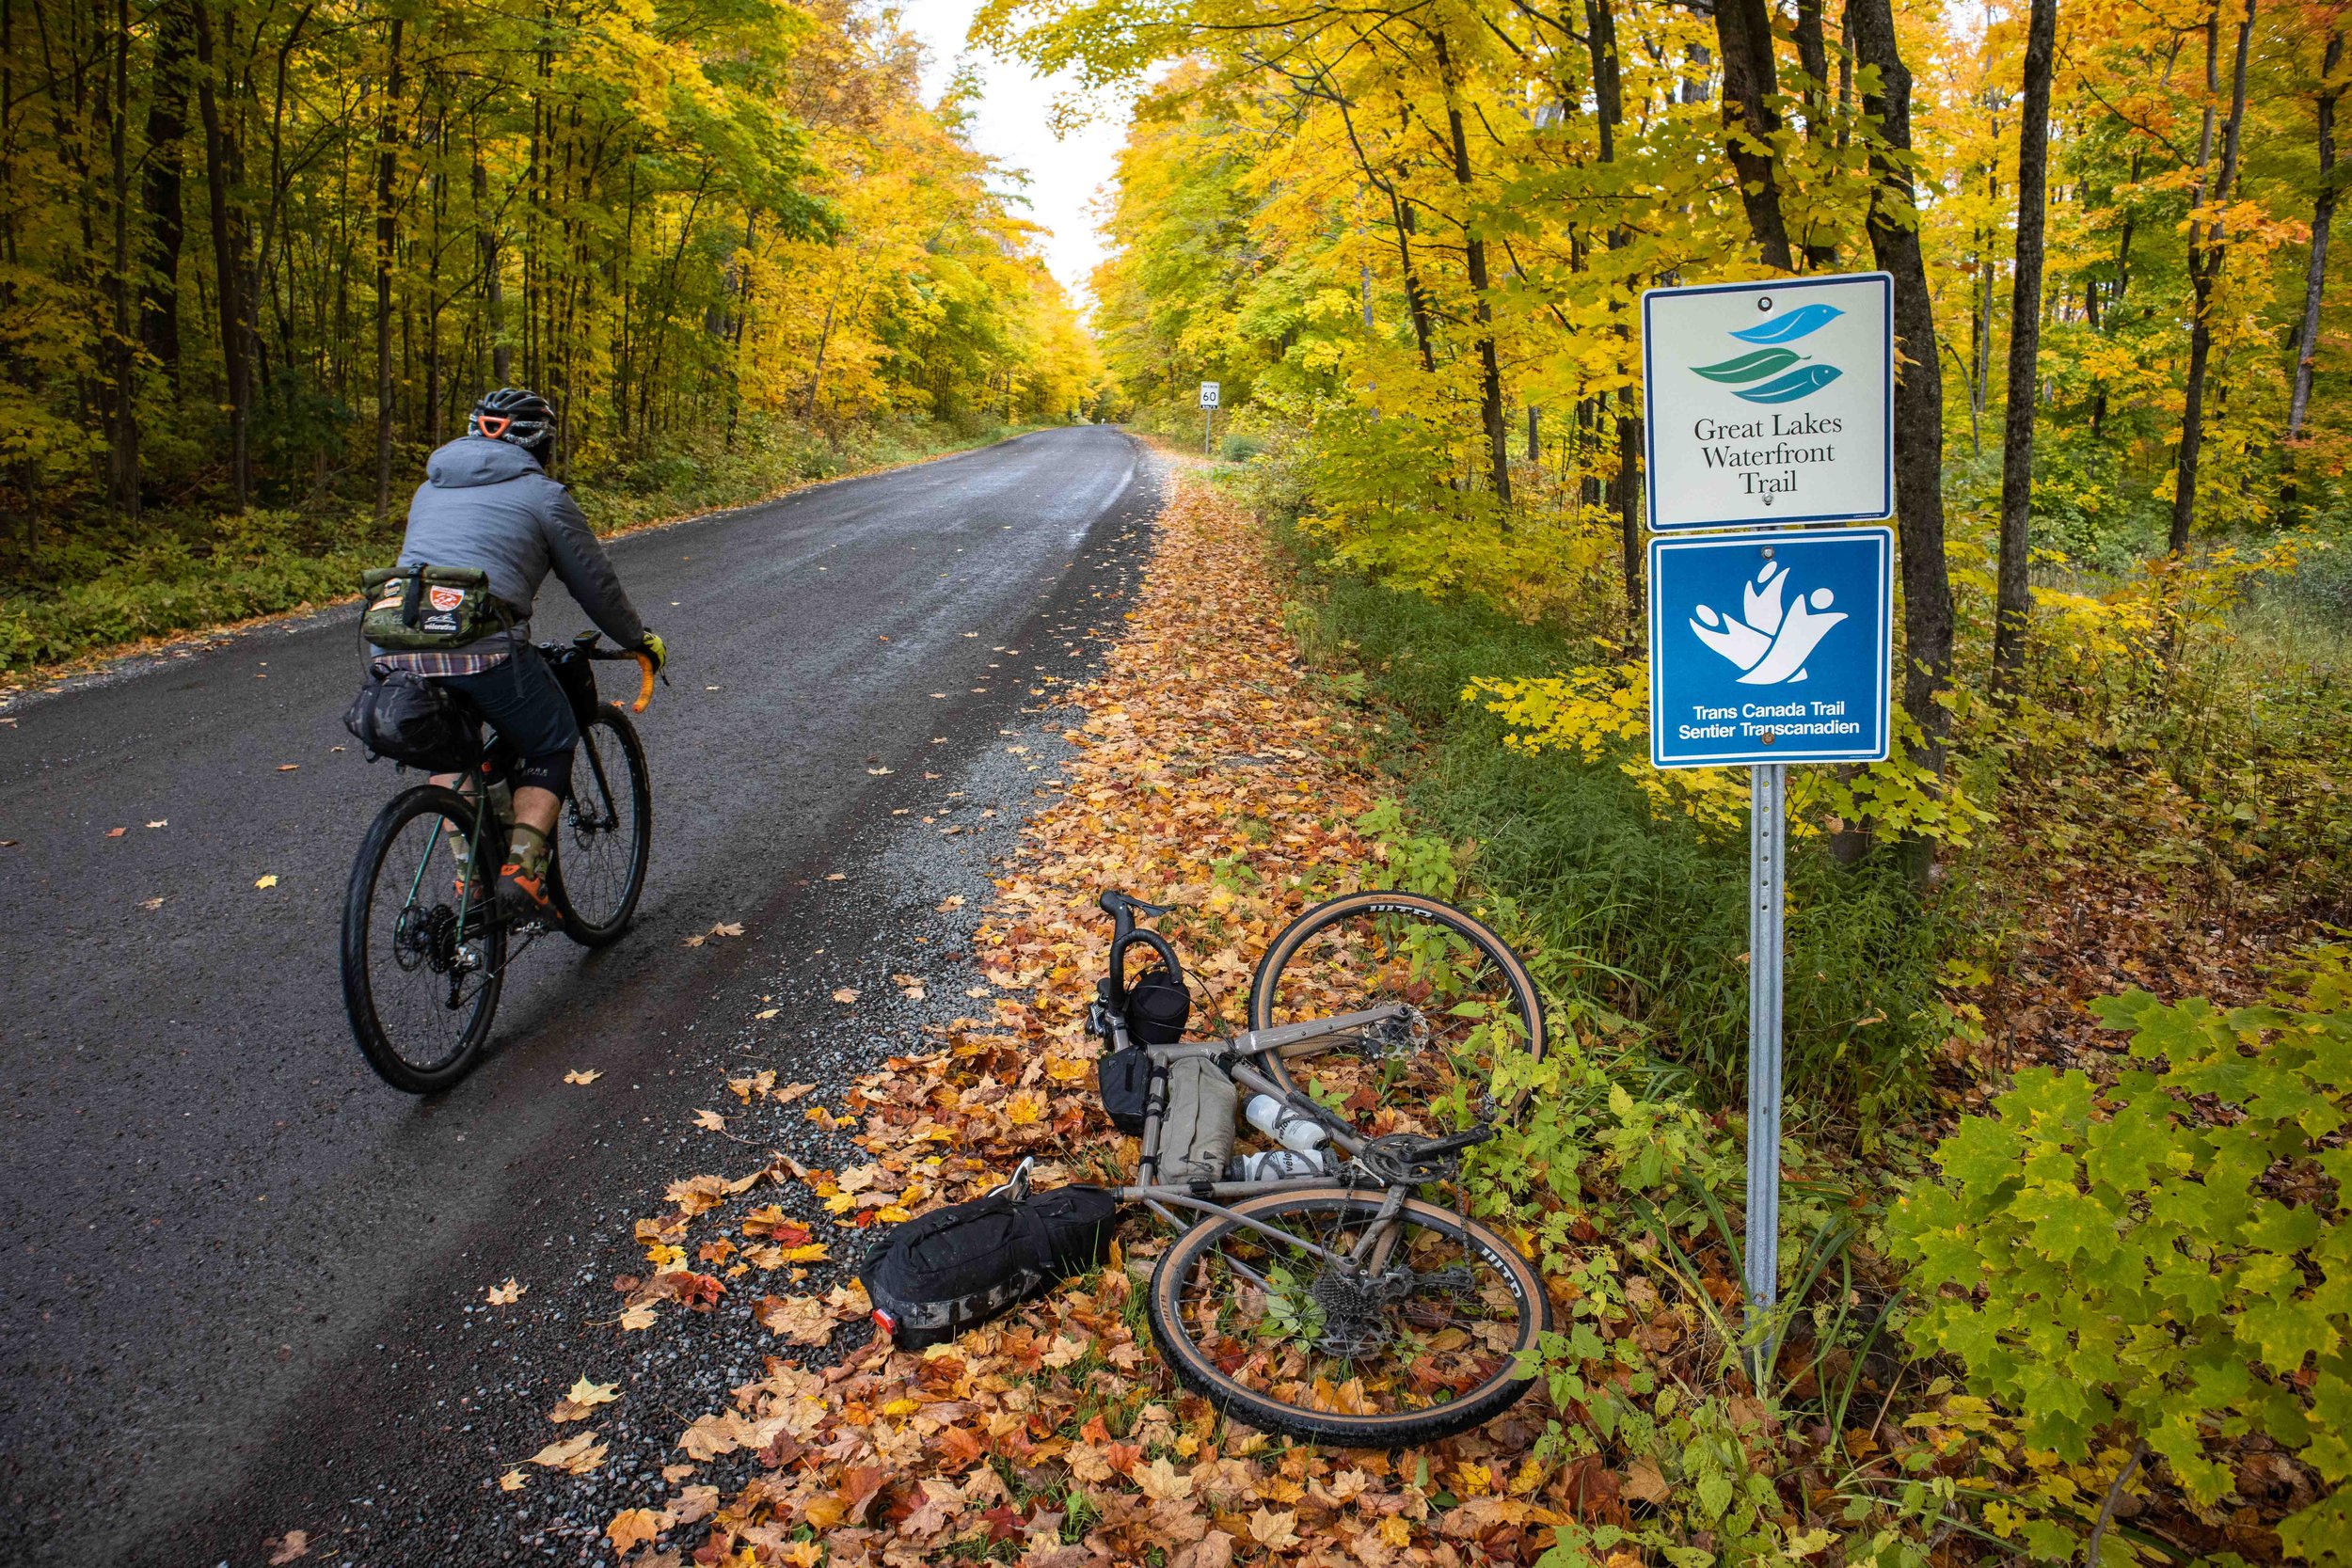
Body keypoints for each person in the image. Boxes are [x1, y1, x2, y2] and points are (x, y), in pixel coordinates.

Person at [373, 388, 667, 923]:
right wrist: (636, 639)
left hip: (395, 647)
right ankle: (522, 871)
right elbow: (594, 585)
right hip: (483, 645)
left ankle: (473, 874)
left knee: (451, 752)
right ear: (542, 442)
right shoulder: (544, 496)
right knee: (552, 736)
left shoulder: (428, 489)